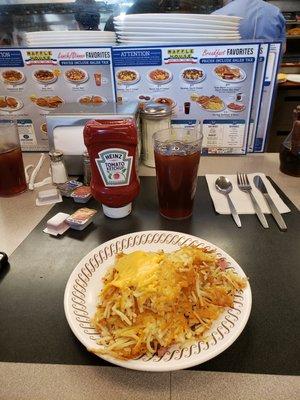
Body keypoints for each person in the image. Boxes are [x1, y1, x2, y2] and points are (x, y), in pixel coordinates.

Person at [212, 0, 286, 43]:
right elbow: (282, 49)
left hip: (230, 66)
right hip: (267, 66)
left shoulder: (217, 15)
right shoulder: (275, 12)